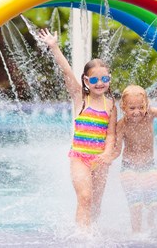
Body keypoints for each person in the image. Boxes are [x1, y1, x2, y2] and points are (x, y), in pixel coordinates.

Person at [38, 28, 117, 230]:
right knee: (85, 198)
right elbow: (66, 71)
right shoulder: (81, 98)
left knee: (96, 203)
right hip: (80, 158)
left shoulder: (111, 105)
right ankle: (82, 239)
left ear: (109, 79)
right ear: (85, 81)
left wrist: (108, 153)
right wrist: (54, 46)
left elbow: (110, 134)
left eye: (105, 79)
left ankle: (93, 234)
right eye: (94, 80)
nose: (100, 83)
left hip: (100, 160)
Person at [112, 84, 157, 233]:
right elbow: (117, 150)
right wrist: (106, 158)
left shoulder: (150, 114)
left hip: (149, 165)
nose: (137, 112)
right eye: (132, 108)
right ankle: (136, 233)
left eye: (141, 107)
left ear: (146, 105)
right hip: (128, 167)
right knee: (136, 205)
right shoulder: (121, 125)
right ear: (123, 107)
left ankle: (151, 224)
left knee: (155, 202)